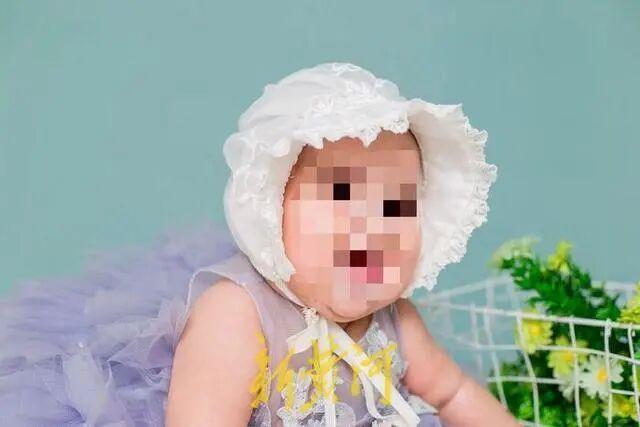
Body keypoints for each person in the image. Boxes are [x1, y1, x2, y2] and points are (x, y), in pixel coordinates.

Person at [0, 62, 517, 426]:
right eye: (341, 195)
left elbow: (453, 392)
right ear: (269, 210)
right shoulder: (237, 316)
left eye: (396, 205)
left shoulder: (397, 321)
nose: (374, 225)